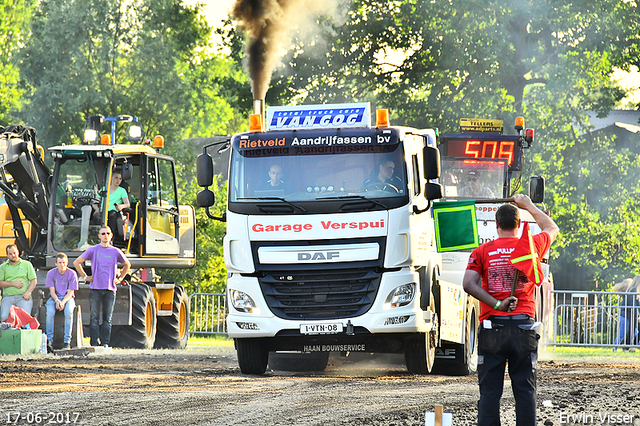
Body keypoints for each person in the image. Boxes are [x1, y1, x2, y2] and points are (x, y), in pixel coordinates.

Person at [462, 194, 559, 426]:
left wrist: (497, 304)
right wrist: (529, 205)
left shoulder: (482, 251)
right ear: (519, 224)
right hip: (524, 328)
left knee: (489, 392)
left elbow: (468, 284)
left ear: (496, 225)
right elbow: (551, 227)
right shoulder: (532, 246)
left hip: (491, 326)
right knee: (525, 390)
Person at [73, 226, 131, 347]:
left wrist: (120, 279)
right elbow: (77, 262)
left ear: (111, 236)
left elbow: (127, 264)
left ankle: (105, 343)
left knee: (107, 319)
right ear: (99, 236)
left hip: (110, 289)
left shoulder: (115, 251)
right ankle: (94, 343)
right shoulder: (93, 250)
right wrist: (85, 276)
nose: (105, 235)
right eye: (103, 233)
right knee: (94, 318)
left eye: (108, 233)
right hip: (95, 289)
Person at [45, 253, 78, 350]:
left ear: (67, 263)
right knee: (50, 312)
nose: (62, 265)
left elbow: (70, 292)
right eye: (59, 263)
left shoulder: (72, 274)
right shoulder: (51, 273)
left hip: (68, 298)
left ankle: (67, 342)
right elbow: (52, 291)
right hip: (54, 297)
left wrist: (62, 302)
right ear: (56, 263)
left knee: (69, 312)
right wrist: (57, 300)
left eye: (64, 263)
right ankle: (49, 341)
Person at [0, 244, 37, 321]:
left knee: (24, 319)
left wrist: (28, 293)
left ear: (18, 252)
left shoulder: (27, 264)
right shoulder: (3, 267)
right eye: (10, 254)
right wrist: (12, 283)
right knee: (4, 317)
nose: (13, 255)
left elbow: (34, 280)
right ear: (7, 255)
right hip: (8, 297)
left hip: (23, 297)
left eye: (14, 252)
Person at [613, 276, 640, 351]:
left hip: (630, 315)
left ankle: (629, 347)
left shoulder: (633, 291)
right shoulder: (632, 291)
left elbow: (637, 304)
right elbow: (633, 305)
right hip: (629, 315)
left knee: (632, 332)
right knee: (625, 333)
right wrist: (637, 316)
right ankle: (624, 347)